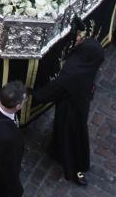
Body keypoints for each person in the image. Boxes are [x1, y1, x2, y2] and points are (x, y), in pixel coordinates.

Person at [30, 37, 105, 187]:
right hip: (78, 102)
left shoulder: (73, 71)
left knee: (71, 135)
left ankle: (74, 167)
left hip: (70, 108)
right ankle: (56, 151)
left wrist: (35, 95)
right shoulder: (88, 63)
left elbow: (55, 89)